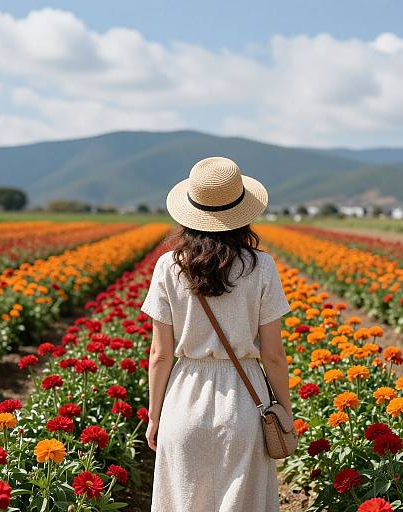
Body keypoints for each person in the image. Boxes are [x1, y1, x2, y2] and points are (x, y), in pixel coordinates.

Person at [140, 156, 293, 512]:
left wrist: (154, 415)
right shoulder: (261, 267)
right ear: (242, 211)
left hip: (183, 399)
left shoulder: (168, 266)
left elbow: (160, 354)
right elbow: (272, 354)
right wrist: (284, 409)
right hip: (244, 401)